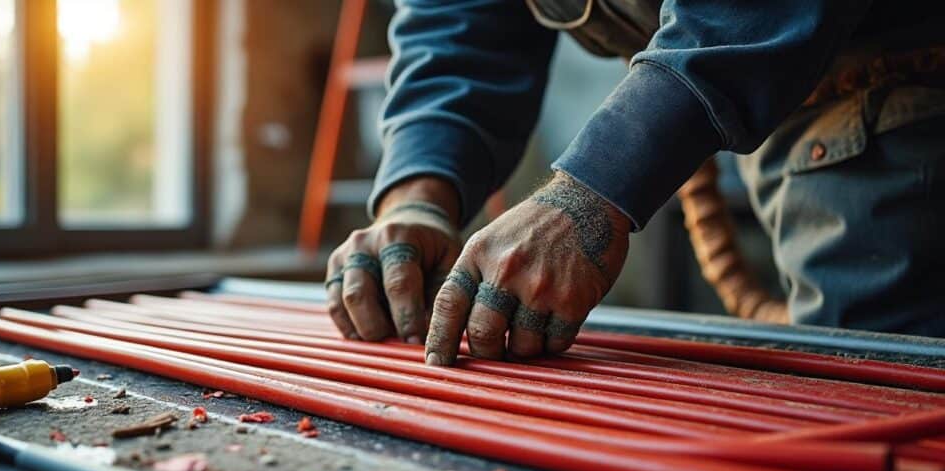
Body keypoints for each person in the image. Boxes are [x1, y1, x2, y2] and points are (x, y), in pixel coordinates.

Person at [324, 0, 945, 366]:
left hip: (903, 83)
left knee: (887, 389)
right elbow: (458, 22)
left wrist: (588, 196)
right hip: (791, 98)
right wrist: (419, 199)